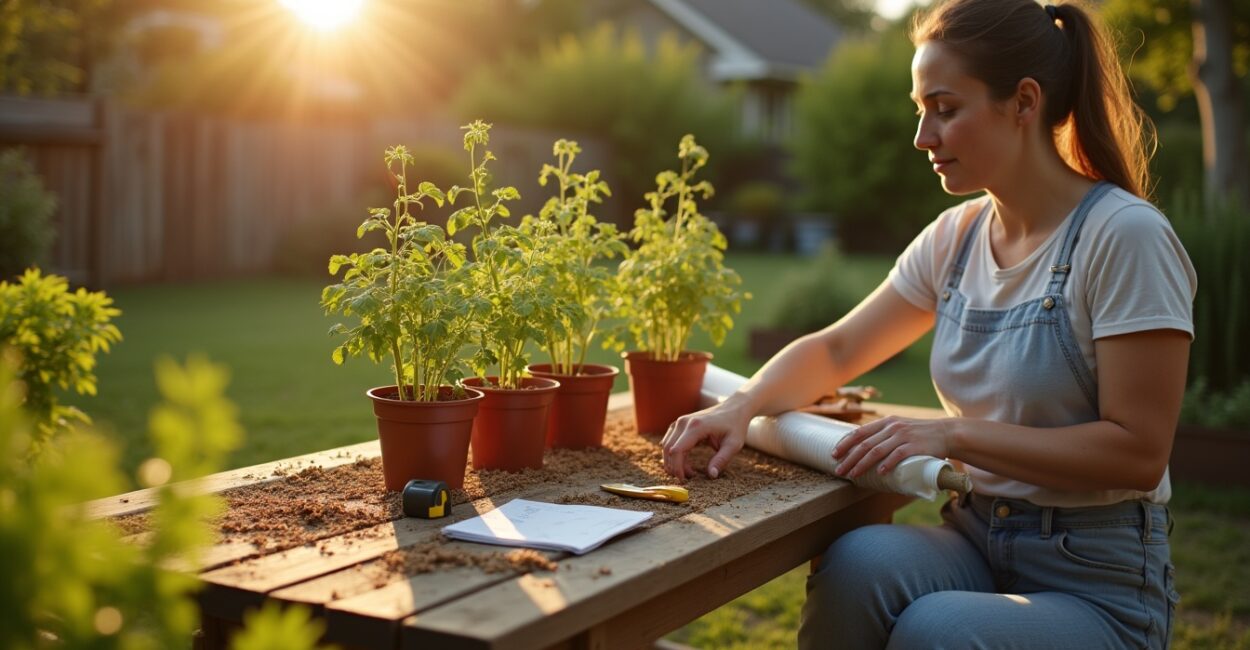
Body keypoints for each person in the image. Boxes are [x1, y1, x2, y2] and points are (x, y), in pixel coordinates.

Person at [660, 0, 1196, 647]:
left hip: (1099, 579)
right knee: (855, 564)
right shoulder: (958, 237)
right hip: (976, 534)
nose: (923, 136)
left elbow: (1139, 451)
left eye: (945, 108)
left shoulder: (1124, 237)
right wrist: (741, 407)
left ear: (1023, 102)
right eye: (920, 109)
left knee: (936, 630)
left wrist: (953, 434)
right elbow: (838, 348)